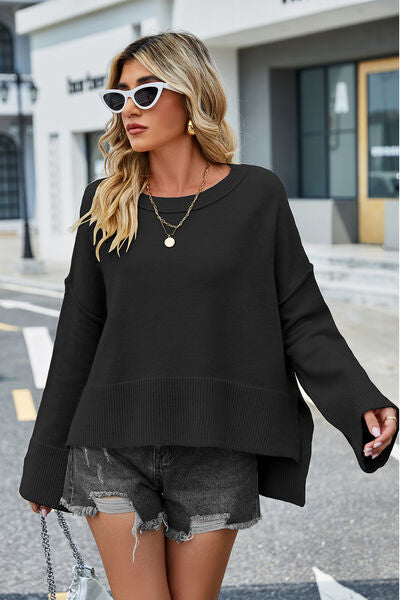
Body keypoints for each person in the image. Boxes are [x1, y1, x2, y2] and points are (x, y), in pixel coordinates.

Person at [20, 31, 398, 600]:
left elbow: (300, 315)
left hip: (218, 446)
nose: (129, 109)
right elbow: (78, 333)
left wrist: (359, 400)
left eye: (146, 92)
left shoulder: (257, 195)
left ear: (190, 93)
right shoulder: (105, 202)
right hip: (109, 447)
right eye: (119, 97)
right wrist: (45, 461)